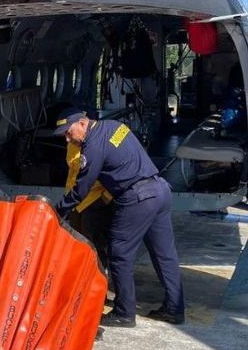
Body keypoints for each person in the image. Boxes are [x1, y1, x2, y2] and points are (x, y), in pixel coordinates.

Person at [53, 107, 185, 327]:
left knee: (120, 253)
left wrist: (57, 213)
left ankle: (124, 313)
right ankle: (175, 309)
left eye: (69, 133)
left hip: (137, 197)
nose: (68, 140)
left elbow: (81, 189)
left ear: (83, 123)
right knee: (165, 254)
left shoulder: (92, 147)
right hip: (160, 189)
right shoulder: (115, 127)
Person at [64, 127, 114, 273]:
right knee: (78, 244)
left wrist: (105, 198)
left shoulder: (97, 143)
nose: (67, 138)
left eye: (68, 132)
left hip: (95, 200)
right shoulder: (73, 142)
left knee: (95, 246)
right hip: (76, 201)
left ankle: (99, 282)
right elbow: (73, 172)